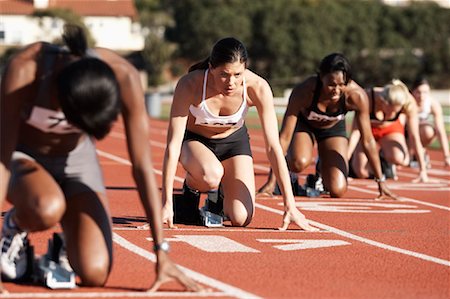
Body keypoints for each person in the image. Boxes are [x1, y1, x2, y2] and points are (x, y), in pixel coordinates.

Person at [0, 24, 203, 293]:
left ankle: (59, 249)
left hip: (77, 161)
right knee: (47, 207)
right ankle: (15, 224)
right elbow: (2, 161)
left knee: (95, 273)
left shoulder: (123, 75)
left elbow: (142, 166)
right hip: (21, 154)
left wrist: (161, 251)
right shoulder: (25, 70)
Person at [160, 37, 317, 231]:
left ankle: (217, 201)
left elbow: (273, 147)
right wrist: (166, 203)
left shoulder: (257, 87)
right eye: (224, 75)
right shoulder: (190, 85)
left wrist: (290, 205)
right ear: (211, 68)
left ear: (245, 68)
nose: (231, 82)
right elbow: (173, 145)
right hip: (196, 142)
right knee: (210, 175)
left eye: (237, 74)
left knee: (241, 217)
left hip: (234, 143)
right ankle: (189, 193)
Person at [257, 53, 397, 200]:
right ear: (321, 77)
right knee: (299, 162)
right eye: (331, 84)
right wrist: (271, 182)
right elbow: (284, 137)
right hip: (306, 126)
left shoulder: (357, 96)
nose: (336, 90)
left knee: (338, 190)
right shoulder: (304, 91)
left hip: (333, 130)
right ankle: (289, 177)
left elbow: (368, 140)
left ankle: (319, 173)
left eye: (342, 85)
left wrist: (381, 182)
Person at [348, 79, 430, 183]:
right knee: (361, 172)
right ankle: (354, 164)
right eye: (390, 110)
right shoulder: (367, 98)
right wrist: (345, 162)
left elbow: (414, 137)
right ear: (383, 101)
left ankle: (384, 160)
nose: (391, 114)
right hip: (368, 130)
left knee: (401, 158)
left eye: (395, 111)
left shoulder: (409, 104)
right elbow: (355, 133)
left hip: (390, 130)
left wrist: (423, 170)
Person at [409, 77, 450, 167]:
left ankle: (420, 153)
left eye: (425, 92)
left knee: (428, 131)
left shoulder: (432, 104)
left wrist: (447, 156)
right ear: (412, 91)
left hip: (419, 132)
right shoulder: (407, 102)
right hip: (406, 133)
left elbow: (440, 131)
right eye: (418, 92)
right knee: (401, 159)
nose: (422, 96)